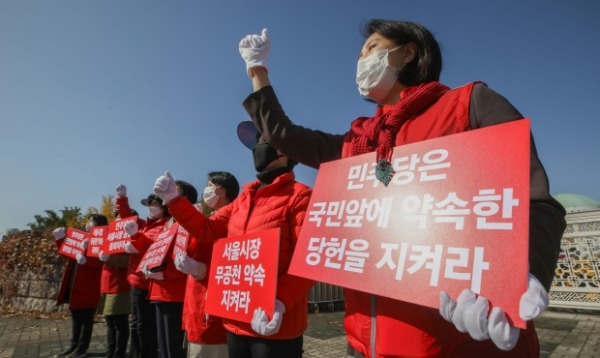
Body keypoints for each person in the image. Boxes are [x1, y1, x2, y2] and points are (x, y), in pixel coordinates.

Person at [238, 21, 567, 357]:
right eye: (360, 54)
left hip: (457, 340)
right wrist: (257, 69)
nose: (361, 60)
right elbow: (286, 136)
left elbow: (533, 198)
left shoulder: (469, 105)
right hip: (363, 344)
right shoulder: (355, 143)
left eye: (372, 48)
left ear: (408, 52)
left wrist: (522, 274)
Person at [152, 123, 314, 358]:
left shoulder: (300, 196)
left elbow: (307, 258)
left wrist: (280, 301)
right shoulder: (244, 198)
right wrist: (174, 200)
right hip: (235, 320)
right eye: (256, 142)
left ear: (283, 150)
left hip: (276, 324)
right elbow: (207, 229)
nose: (257, 147)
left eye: (263, 141)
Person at [126, 180, 198, 358]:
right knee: (163, 346)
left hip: (174, 294)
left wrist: (164, 273)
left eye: (173, 192)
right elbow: (156, 252)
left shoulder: (188, 224)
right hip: (158, 291)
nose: (166, 196)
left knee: (174, 347)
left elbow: (186, 260)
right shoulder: (169, 224)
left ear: (183, 198)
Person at [175, 171, 240, 358]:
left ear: (221, 190)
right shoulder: (210, 219)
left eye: (210, 185)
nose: (206, 189)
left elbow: (234, 264)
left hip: (212, 312)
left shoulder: (233, 221)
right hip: (195, 306)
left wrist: (203, 270)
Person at [115, 187, 168, 358]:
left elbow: (154, 248)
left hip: (147, 283)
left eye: (155, 205)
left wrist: (136, 238)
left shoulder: (166, 226)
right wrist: (122, 198)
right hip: (135, 280)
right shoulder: (147, 225)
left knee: (145, 326)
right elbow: (127, 218)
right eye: (149, 204)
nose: (151, 208)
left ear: (164, 207)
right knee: (136, 324)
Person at [52, 214, 106, 358]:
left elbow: (101, 263)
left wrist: (86, 259)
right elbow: (67, 251)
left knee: (86, 319)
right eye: (89, 220)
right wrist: (59, 239)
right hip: (75, 284)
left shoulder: (101, 241)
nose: (89, 223)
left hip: (88, 287)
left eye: (92, 221)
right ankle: (73, 346)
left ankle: (82, 348)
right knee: (76, 317)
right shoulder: (82, 237)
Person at [98, 212, 132, 358]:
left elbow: (129, 261)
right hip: (108, 284)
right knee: (110, 322)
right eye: (116, 217)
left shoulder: (130, 238)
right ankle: (110, 352)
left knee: (119, 322)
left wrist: (110, 258)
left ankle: (118, 354)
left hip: (120, 285)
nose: (118, 221)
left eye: (121, 218)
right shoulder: (110, 237)